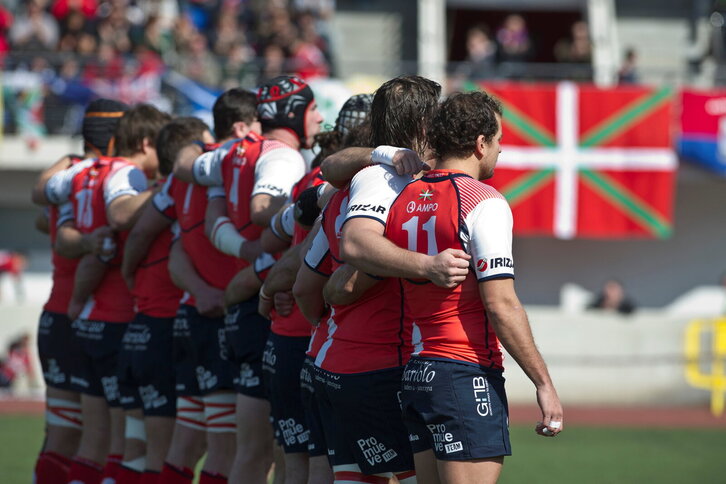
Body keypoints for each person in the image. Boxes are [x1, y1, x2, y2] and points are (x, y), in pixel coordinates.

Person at [384, 91, 563, 482]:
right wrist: (544, 383)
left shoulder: (403, 196)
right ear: (481, 143)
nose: (500, 150)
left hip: (417, 372)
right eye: (498, 140)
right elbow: (501, 304)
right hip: (464, 372)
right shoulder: (484, 201)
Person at [298, 76, 451, 484]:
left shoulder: (345, 187)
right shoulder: (390, 183)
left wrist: (330, 316)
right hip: (380, 365)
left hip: (330, 359)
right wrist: (425, 266)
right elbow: (356, 251)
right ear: (423, 122)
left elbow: (303, 287)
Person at [174, 75, 323, 484]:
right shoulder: (283, 156)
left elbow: (186, 166)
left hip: (245, 304)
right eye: (313, 109)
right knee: (272, 454)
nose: (319, 118)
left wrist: (249, 254)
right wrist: (304, 211)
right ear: (293, 114)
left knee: (255, 452)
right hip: (266, 311)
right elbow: (261, 207)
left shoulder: (229, 152)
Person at [38, 103, 170, 484]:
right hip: (114, 317)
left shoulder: (77, 175)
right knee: (127, 447)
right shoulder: (126, 178)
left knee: (74, 439)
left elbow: (42, 206)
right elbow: (110, 236)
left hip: (69, 315)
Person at [156, 89, 261, 484]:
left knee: (187, 443)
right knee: (230, 449)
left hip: (193, 311)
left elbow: (165, 242)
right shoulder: (238, 163)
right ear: (243, 126)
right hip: (224, 314)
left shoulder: (184, 174)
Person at [32, 98, 127, 484]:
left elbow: (41, 204)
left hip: (57, 317)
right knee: (101, 441)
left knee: (62, 435)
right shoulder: (114, 179)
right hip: (88, 314)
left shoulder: (69, 179)